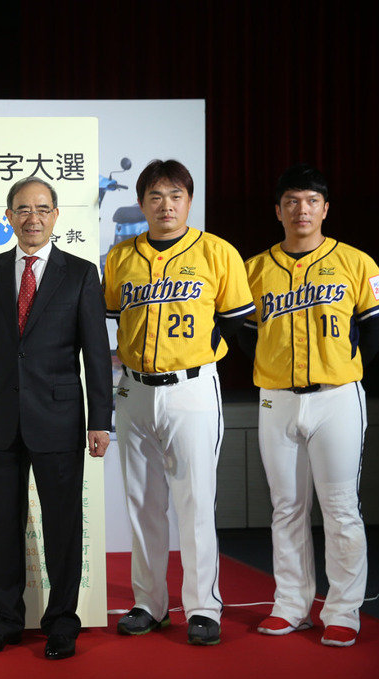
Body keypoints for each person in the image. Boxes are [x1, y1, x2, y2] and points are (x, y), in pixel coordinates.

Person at [242, 164, 379, 647]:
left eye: (311, 200)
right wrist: (273, 365)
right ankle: (291, 605)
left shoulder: (355, 261)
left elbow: (378, 327)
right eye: (291, 201)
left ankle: (344, 610)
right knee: (286, 508)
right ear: (278, 210)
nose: (301, 209)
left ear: (325, 208)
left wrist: (343, 365)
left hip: (336, 398)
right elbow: (244, 332)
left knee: (341, 508)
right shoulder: (255, 268)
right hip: (277, 400)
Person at [103, 159, 254, 646]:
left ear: (189, 201)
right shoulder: (120, 257)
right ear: (142, 203)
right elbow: (112, 314)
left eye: (175, 195)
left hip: (191, 388)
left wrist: (204, 347)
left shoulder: (217, 251)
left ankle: (203, 607)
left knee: (195, 503)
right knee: (142, 503)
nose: (165, 205)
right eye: (155, 196)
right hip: (134, 389)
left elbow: (236, 317)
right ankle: (149, 603)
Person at [0, 176, 112, 660]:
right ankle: (5, 621)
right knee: (3, 524)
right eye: (23, 209)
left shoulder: (81, 273)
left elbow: (97, 354)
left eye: (42, 209)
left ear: (56, 216)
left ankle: (62, 623)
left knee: (62, 526)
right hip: (2, 419)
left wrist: (100, 420)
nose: (33, 218)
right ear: (9, 216)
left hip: (61, 419)